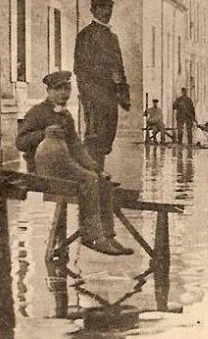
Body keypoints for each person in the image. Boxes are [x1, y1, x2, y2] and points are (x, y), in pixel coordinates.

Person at [16, 71, 133, 256]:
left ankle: (107, 236)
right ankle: (91, 235)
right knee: (90, 180)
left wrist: (96, 168)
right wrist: (43, 134)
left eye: (67, 88)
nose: (64, 93)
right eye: (59, 89)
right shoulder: (37, 113)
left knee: (102, 181)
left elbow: (77, 147)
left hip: (63, 165)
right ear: (48, 91)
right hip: (41, 170)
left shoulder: (66, 116)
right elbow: (20, 142)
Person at [74, 0, 129, 171]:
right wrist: (90, 96)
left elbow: (119, 68)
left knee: (106, 139)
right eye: (101, 7)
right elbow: (80, 69)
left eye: (109, 7)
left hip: (110, 98)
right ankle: (92, 179)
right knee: (94, 138)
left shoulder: (113, 37)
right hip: (94, 96)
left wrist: (123, 92)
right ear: (93, 10)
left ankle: (98, 176)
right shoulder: (85, 36)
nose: (106, 11)